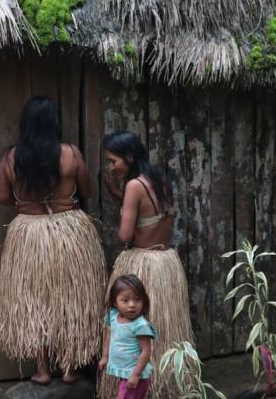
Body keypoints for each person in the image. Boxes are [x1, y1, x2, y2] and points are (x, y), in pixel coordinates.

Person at [0, 96, 106, 385]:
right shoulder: (70, 154)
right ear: (54, 123)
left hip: (28, 235)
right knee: (70, 297)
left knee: (35, 300)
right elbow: (87, 190)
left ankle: (43, 369)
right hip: (69, 231)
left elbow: (4, 197)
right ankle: (70, 368)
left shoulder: (10, 159)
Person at [98, 130, 194, 398]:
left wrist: (122, 196)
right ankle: (167, 386)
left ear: (129, 157)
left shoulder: (134, 186)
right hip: (165, 262)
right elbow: (149, 214)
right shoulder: (157, 178)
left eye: (113, 161)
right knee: (164, 330)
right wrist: (118, 193)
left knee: (133, 333)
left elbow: (126, 235)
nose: (110, 166)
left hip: (143, 263)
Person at [100, 275, 156, 399]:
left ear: (144, 301)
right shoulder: (113, 316)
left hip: (135, 373)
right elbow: (109, 335)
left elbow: (146, 351)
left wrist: (136, 375)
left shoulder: (140, 325)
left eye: (137, 300)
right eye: (125, 301)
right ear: (115, 302)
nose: (132, 305)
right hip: (125, 372)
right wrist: (105, 357)